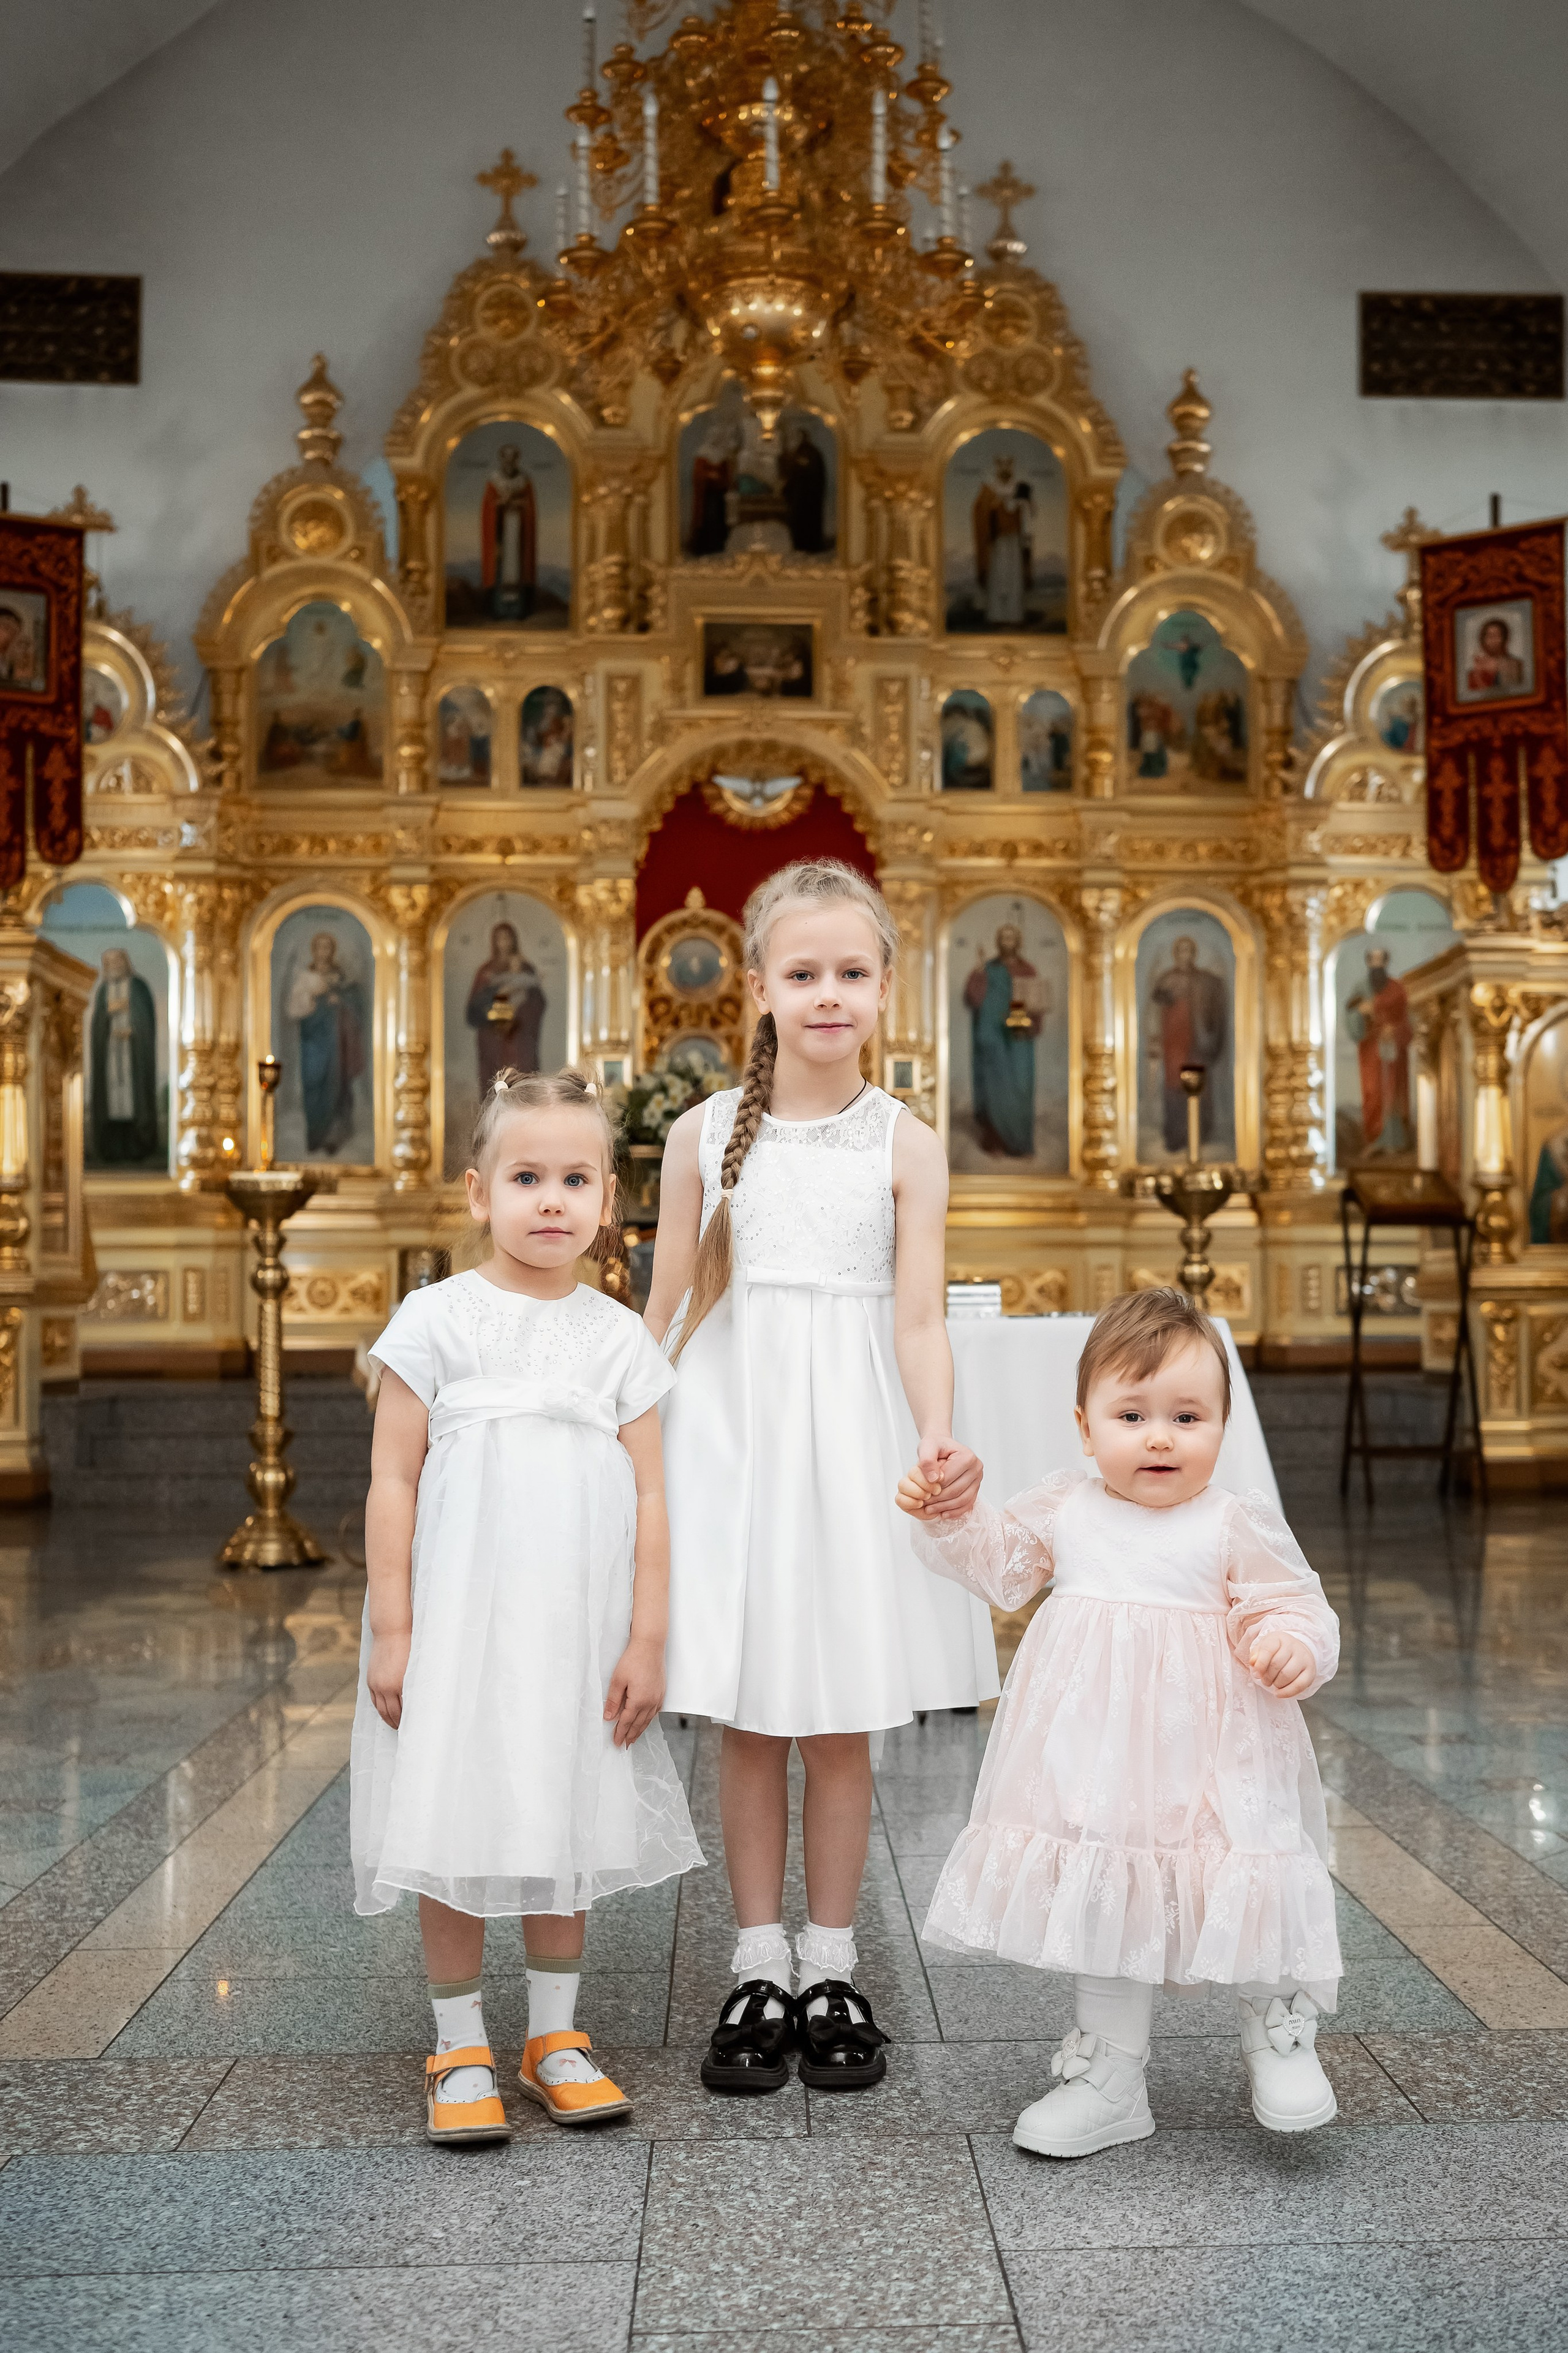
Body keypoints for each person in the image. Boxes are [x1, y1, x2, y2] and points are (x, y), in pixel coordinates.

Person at [646, 859, 998, 2095]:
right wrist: (627, 1456)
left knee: (838, 1715)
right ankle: (755, 1960)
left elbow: (914, 1319)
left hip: (849, 1436)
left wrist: (935, 1435)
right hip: (729, 1438)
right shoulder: (698, 1138)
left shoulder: (904, 1142)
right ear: (757, 988)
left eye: (852, 973)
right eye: (803, 974)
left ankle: (832, 1960)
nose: (828, 994)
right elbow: (662, 1314)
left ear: (886, 988)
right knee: (747, 1713)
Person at [899, 1286, 1342, 2158]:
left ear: (1222, 1423)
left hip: (1220, 1756)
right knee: (1110, 1892)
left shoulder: (1231, 1520)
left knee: (1243, 1871)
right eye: (1132, 1414)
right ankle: (1110, 2075)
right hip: (1100, 1760)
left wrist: (1290, 1642)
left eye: (1188, 1415)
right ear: (1085, 1423)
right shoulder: (1068, 1507)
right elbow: (1000, 1566)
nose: (1160, 1436)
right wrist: (953, 1510)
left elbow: (1291, 1602)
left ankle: (1276, 2027)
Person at [352, 1067, 704, 2143]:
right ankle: (458, 2043)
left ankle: (556, 2035)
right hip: (459, 1622)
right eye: (526, 1176)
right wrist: (397, 1627)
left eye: (576, 1178)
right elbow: (393, 1480)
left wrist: (647, 1636)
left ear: (609, 1201)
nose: (551, 1199)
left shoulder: (619, 1339)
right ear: (476, 1191)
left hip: (576, 1624)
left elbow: (652, 1493)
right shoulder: (435, 1319)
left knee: (566, 1805)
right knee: (452, 1811)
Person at [965, 923, 1047, 1158]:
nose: (1007, 942)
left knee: (1020, 1086)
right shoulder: (988, 968)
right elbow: (974, 998)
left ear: (1018, 941)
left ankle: (1019, 1143)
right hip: (993, 1037)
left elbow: (1036, 1002)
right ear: (998, 942)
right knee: (995, 1087)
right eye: (1003, 937)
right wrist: (979, 972)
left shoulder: (1027, 970)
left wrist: (1029, 1023)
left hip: (1018, 1037)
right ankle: (996, 1143)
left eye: (1012, 937)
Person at [284, 930, 367, 1156]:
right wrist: (315, 1000)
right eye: (319, 947)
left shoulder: (341, 978)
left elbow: (355, 1006)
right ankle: (316, 1136)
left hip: (337, 1044)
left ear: (332, 951)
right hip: (313, 1041)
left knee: (337, 1086)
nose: (324, 952)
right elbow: (294, 1010)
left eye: (328, 947)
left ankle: (334, 1137)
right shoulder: (304, 977)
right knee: (314, 1084)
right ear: (314, 951)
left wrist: (339, 1001)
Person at [1147, 935, 1227, 1153]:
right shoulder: (1166, 980)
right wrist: (1155, 1039)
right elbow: (1155, 1012)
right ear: (1176, 954)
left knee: (1198, 1087)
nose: (1185, 955)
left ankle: (1199, 1134)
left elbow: (1213, 1009)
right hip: (1174, 1044)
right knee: (1175, 1087)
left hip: (1196, 1043)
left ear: (1194, 954)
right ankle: (1176, 1135)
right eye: (1181, 951)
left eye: (1189, 951)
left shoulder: (1204, 980)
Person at [89, 946, 160, 1167]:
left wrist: (134, 1030)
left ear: (125, 962)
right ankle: (111, 1149)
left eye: (117, 962)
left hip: (133, 1055)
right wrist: (108, 1022)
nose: (114, 966)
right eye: (109, 963)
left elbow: (145, 1019)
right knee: (112, 1102)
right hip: (111, 1054)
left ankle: (137, 1147)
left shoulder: (138, 987)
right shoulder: (103, 990)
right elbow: (98, 1023)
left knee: (133, 1099)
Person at [1344, 946, 1412, 1157]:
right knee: (1373, 1092)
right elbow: (1351, 1014)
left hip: (1394, 1051)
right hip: (1371, 1049)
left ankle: (1395, 1142)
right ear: (1368, 963)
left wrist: (1395, 1031)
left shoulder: (1397, 989)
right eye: (1373, 961)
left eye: (1380, 961)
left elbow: (1408, 1020)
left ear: (1386, 963)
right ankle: (1374, 1140)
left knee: (1393, 1093)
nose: (1377, 965)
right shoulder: (1360, 988)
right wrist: (1360, 1015)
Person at [466, 920, 545, 1092]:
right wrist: (498, 1013)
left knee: (521, 1084)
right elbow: (473, 1010)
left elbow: (538, 1002)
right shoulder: (485, 972)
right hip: (493, 1039)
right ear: (494, 941)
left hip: (520, 1039)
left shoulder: (526, 969)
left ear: (514, 940)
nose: (504, 943)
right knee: (494, 1084)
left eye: (507, 938)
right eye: (500, 939)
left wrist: (518, 1014)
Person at [971, 455, 1033, 629]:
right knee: (998, 577)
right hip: (997, 542)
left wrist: (1020, 504)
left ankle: (1014, 616)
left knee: (1014, 577)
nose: (1005, 469)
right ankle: (997, 615)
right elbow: (980, 510)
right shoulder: (989, 489)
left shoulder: (1020, 487)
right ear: (998, 468)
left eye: (1008, 465)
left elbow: (1029, 511)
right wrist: (994, 505)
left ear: (1011, 467)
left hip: (1014, 541)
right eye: (1002, 465)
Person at [481, 443, 537, 621]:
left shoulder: (524, 480)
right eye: (507, 457)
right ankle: (499, 610)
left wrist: (520, 505)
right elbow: (488, 507)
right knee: (500, 568)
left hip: (518, 533)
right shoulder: (494, 480)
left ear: (517, 459)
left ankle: (518, 610)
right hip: (501, 535)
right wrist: (500, 504)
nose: (510, 461)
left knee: (517, 569)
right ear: (502, 459)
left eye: (513, 458)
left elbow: (530, 507)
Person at [781, 418, 828, 553]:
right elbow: (793, 474)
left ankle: (810, 546)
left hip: (808, 497)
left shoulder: (812, 453)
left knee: (808, 522)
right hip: (798, 497)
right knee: (798, 521)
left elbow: (814, 473)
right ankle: (800, 545)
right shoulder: (798, 453)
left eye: (797, 436)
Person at [1466, 615, 1526, 697]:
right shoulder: (1475, 670)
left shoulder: (1516, 665)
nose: (1492, 640)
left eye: (1497, 636)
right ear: (1483, 639)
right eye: (1489, 636)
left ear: (1504, 638)